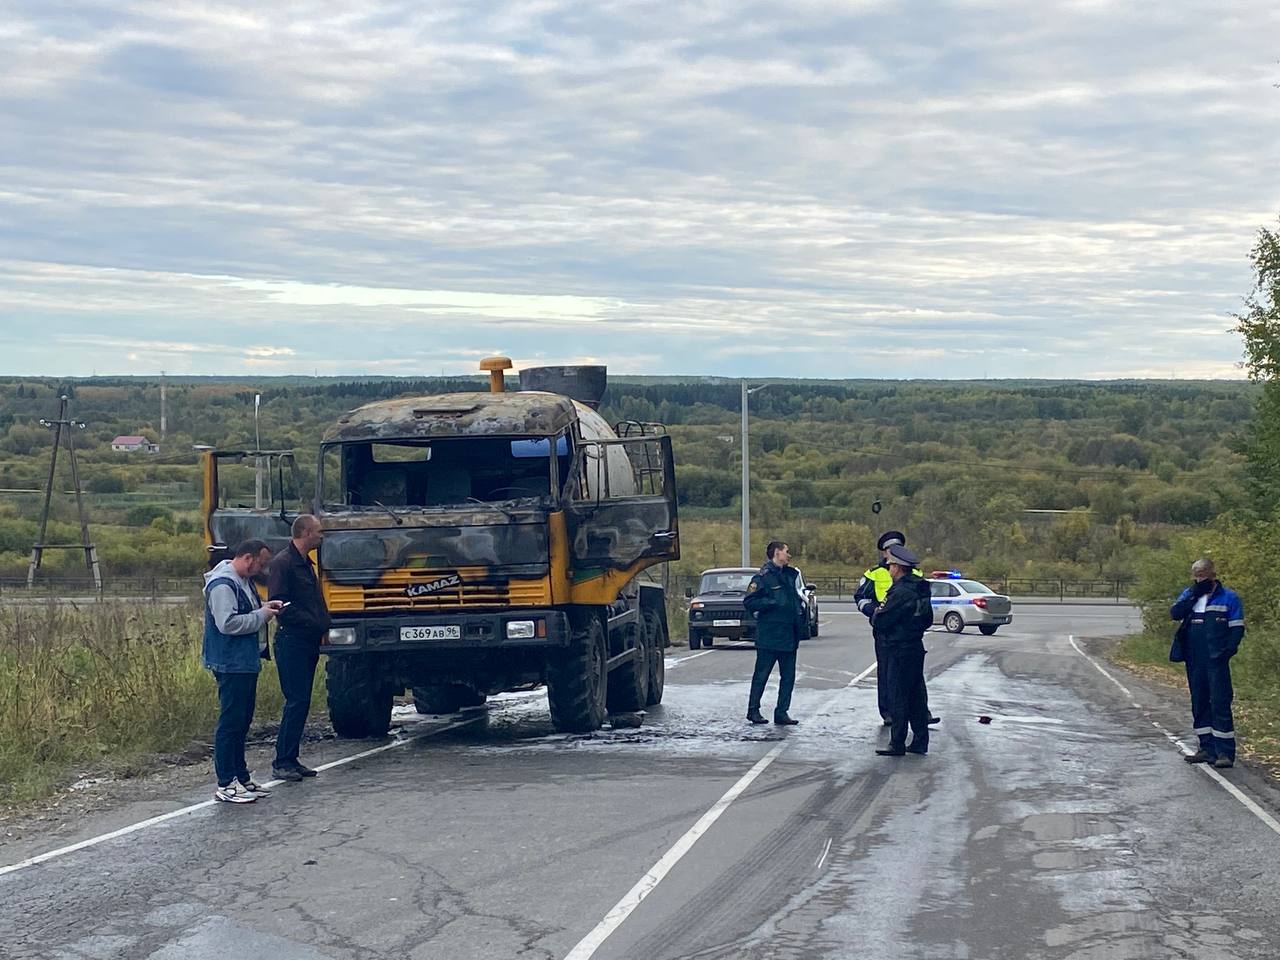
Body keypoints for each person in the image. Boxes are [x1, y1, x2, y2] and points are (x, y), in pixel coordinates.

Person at [202, 539, 284, 804]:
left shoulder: (243, 580)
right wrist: (262, 615)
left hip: (245, 660)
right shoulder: (223, 584)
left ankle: (241, 776)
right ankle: (226, 783)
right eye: (260, 564)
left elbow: (249, 610)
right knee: (231, 722)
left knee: (242, 720)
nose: (262, 569)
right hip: (230, 661)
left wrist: (266, 607)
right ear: (247, 558)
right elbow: (227, 623)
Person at [268, 514, 330, 782]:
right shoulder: (284, 563)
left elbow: (313, 599)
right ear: (305, 533)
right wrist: (312, 622)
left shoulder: (305, 563)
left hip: (307, 640)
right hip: (292, 640)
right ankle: (282, 761)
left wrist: (322, 624)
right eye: (318, 532)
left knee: (301, 701)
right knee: (296, 700)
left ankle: (291, 758)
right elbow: (279, 604)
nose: (321, 536)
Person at [855, 531, 938, 727]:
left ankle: (921, 713)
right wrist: (873, 612)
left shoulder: (915, 574)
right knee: (887, 673)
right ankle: (889, 713)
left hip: (908, 631)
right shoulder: (874, 573)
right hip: (885, 630)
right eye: (890, 550)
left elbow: (924, 604)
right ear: (885, 553)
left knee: (914, 677)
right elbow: (861, 597)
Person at [1170, 559, 1244, 769]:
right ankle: (1206, 747)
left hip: (1216, 659)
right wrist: (1194, 594)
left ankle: (1224, 752)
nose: (1200, 578)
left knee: (1220, 702)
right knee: (1199, 701)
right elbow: (1175, 613)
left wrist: (1228, 651)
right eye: (1196, 574)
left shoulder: (1229, 597)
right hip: (1194, 659)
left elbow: (1237, 627)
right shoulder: (1190, 594)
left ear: (1212, 573)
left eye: (1203, 574)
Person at [872, 544, 934, 757]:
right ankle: (920, 740)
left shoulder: (899, 591)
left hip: (898, 648)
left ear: (897, 568)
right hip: (916, 646)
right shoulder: (921, 588)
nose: (889, 570)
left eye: (890, 566)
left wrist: (880, 617)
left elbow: (880, 620)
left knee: (898, 695)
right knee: (917, 695)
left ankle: (897, 742)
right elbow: (928, 619)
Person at [742, 540, 807, 725]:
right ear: (777, 553)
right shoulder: (763, 577)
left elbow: (794, 600)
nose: (789, 555)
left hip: (788, 634)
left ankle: (782, 712)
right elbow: (749, 602)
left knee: (788, 677)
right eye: (786, 551)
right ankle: (753, 710)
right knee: (761, 675)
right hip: (769, 635)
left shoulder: (789, 575)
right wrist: (770, 603)